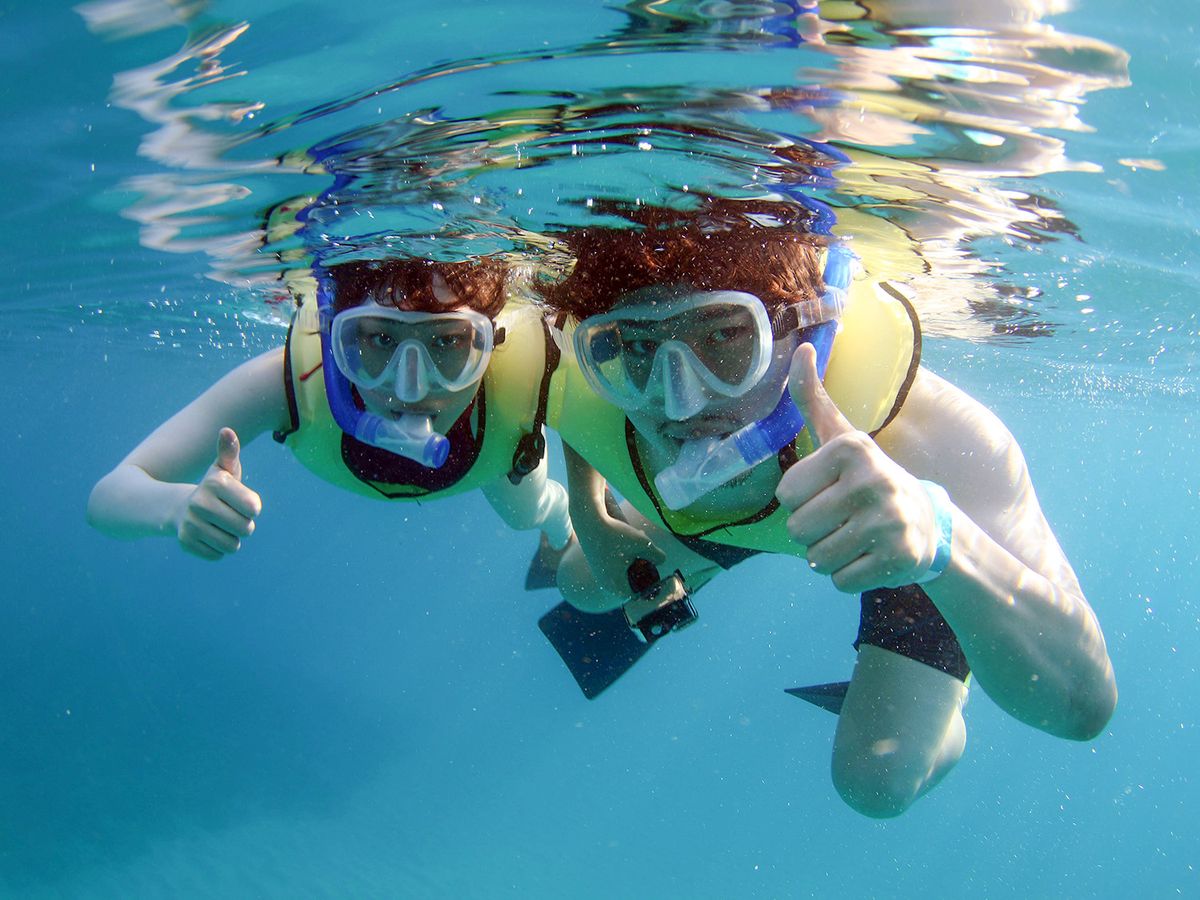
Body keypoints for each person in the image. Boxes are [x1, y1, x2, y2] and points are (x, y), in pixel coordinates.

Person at [535, 200, 1116, 818]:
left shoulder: (924, 442)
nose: (682, 403)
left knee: (875, 782)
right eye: (638, 344)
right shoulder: (587, 384)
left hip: (900, 545)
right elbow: (569, 398)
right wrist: (590, 513)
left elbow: (1082, 707)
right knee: (583, 583)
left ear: (807, 327)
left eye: (726, 335)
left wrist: (939, 538)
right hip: (719, 518)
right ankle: (694, 558)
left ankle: (942, 708)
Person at [88, 256, 574, 570]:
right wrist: (175, 509)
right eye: (380, 338)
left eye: (448, 342)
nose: (411, 388)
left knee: (528, 512)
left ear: (492, 342)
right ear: (333, 339)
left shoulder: (532, 370)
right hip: (483, 457)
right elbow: (107, 497)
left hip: (497, 459)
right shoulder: (294, 381)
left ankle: (562, 535)